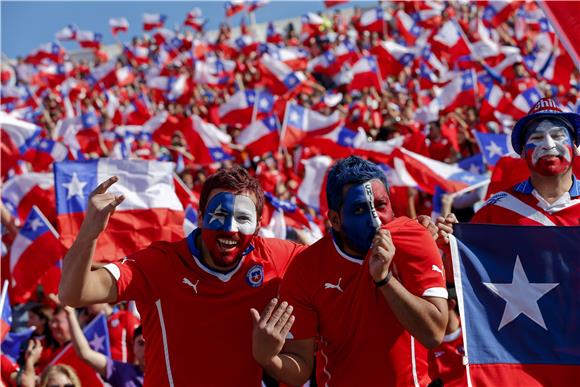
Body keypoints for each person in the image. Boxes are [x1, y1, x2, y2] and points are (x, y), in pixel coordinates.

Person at [58, 166, 307, 386]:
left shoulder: (280, 258)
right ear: (199, 217)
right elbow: (72, 293)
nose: (230, 228)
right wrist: (88, 235)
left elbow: (300, 371)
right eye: (219, 215)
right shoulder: (161, 264)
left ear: (258, 226)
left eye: (243, 218)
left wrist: (269, 359)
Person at [251, 156, 448, 386]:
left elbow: (434, 333)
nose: (375, 220)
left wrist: (384, 279)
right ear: (335, 219)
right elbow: (301, 369)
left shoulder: (415, 237)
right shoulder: (307, 269)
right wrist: (269, 359)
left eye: (381, 205)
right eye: (359, 210)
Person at [470, 98, 580, 225]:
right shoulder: (499, 207)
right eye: (537, 137)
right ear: (522, 151)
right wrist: (451, 237)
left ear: (575, 146)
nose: (549, 145)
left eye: (557, 136)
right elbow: (467, 243)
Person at [64, 306, 144, 386]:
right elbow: (85, 353)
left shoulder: (126, 317)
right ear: (133, 346)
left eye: (150, 343)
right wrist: (70, 313)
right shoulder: (123, 372)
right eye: (141, 343)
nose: (146, 348)